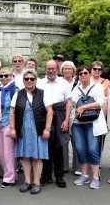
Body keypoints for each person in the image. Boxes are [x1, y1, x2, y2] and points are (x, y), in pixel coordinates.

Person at [10, 69, 52, 195]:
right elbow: (12, 112)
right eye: (26, 79)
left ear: (36, 80)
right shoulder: (18, 94)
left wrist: (47, 128)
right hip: (23, 130)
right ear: (23, 80)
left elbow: (50, 111)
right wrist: (12, 128)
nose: (29, 81)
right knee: (25, 157)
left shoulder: (43, 93)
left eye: (32, 79)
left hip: (38, 130)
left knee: (37, 158)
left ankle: (37, 183)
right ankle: (27, 182)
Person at [70, 66, 107, 189]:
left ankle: (95, 177)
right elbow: (73, 104)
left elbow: (100, 103)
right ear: (78, 75)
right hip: (78, 124)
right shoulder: (76, 89)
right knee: (80, 150)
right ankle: (84, 175)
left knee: (92, 149)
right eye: (80, 73)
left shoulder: (97, 87)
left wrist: (83, 107)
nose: (83, 75)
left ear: (90, 73)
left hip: (93, 123)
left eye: (85, 72)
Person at [37, 60, 72, 188]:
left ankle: (59, 176)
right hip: (44, 116)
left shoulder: (64, 83)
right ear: (45, 69)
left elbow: (68, 103)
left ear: (57, 70)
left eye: (53, 68)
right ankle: (46, 176)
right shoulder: (40, 83)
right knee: (45, 145)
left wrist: (66, 120)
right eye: (48, 69)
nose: (50, 71)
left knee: (59, 147)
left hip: (60, 115)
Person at [0, 67, 18, 188]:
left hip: (9, 123)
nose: (3, 78)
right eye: (1, 76)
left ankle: (9, 178)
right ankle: (9, 173)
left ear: (12, 76)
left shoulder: (14, 89)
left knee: (8, 152)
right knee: (2, 152)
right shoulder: (0, 89)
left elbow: (16, 109)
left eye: (6, 75)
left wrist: (14, 127)